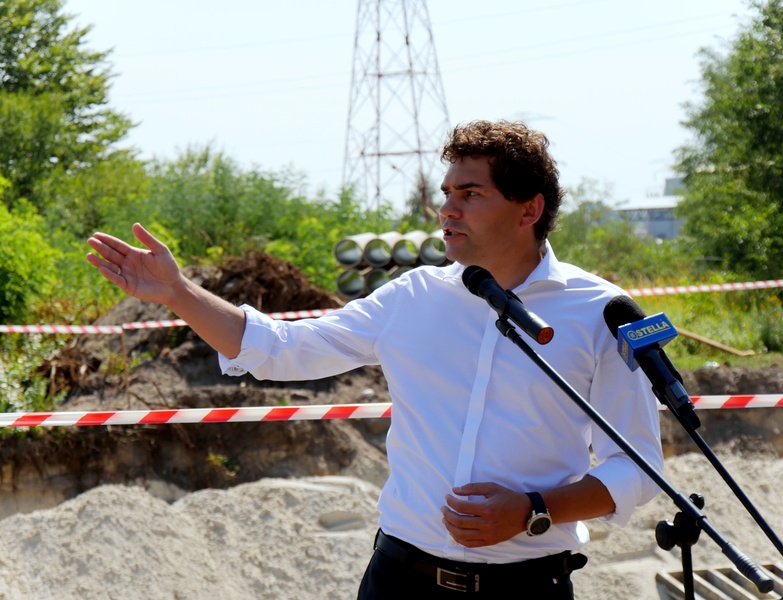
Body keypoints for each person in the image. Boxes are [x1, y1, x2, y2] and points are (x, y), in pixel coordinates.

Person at [86, 120, 664, 598]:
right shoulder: (412, 297)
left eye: (470, 194)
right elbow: (281, 350)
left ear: (529, 209)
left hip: (528, 586)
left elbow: (637, 468)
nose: (447, 210)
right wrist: (179, 293)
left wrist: (533, 510)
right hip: (399, 580)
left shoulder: (599, 311)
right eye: (446, 194)